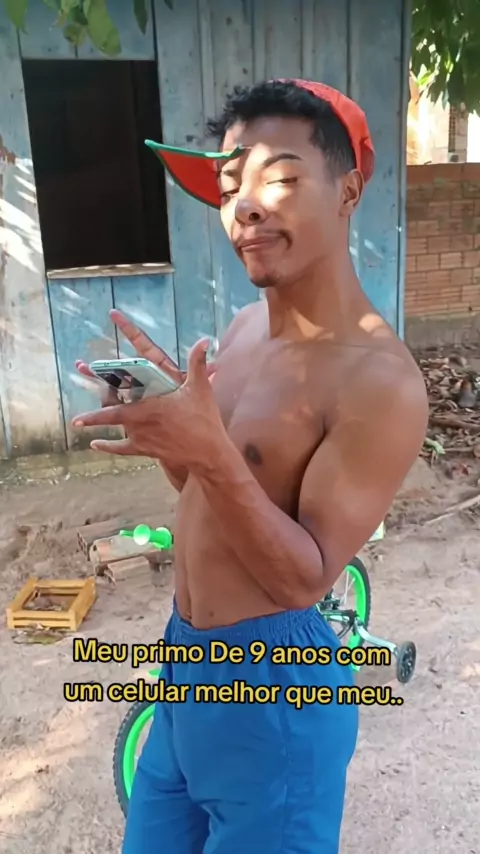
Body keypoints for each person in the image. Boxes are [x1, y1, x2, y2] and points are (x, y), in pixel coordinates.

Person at [73, 80, 428, 854]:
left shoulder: (380, 381)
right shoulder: (239, 332)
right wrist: (174, 439)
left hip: (276, 692)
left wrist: (210, 452)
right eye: (231, 186)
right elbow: (208, 494)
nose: (246, 207)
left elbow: (304, 578)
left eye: (281, 178)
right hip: (185, 665)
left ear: (347, 191)